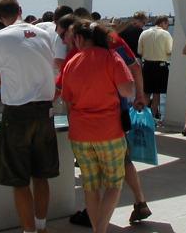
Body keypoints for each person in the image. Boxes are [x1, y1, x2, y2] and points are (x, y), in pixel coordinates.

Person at [55, 15, 152, 225]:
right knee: (114, 184)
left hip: (80, 135)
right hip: (109, 132)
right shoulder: (112, 57)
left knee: (90, 186)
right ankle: (101, 230)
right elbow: (127, 89)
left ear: (79, 39)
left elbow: (67, 101)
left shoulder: (71, 62)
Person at [0, 0, 58, 233]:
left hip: (17, 113)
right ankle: (42, 226)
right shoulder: (45, 35)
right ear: (20, 10)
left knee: (19, 178)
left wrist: (4, 77)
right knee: (41, 175)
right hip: (45, 111)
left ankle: (29, 230)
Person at [138, 15, 173, 120]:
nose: (167, 26)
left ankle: (142, 117)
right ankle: (152, 118)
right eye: (167, 24)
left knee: (146, 93)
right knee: (157, 94)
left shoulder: (144, 33)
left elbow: (139, 51)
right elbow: (170, 51)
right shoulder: (166, 34)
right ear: (163, 23)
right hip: (160, 66)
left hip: (147, 66)